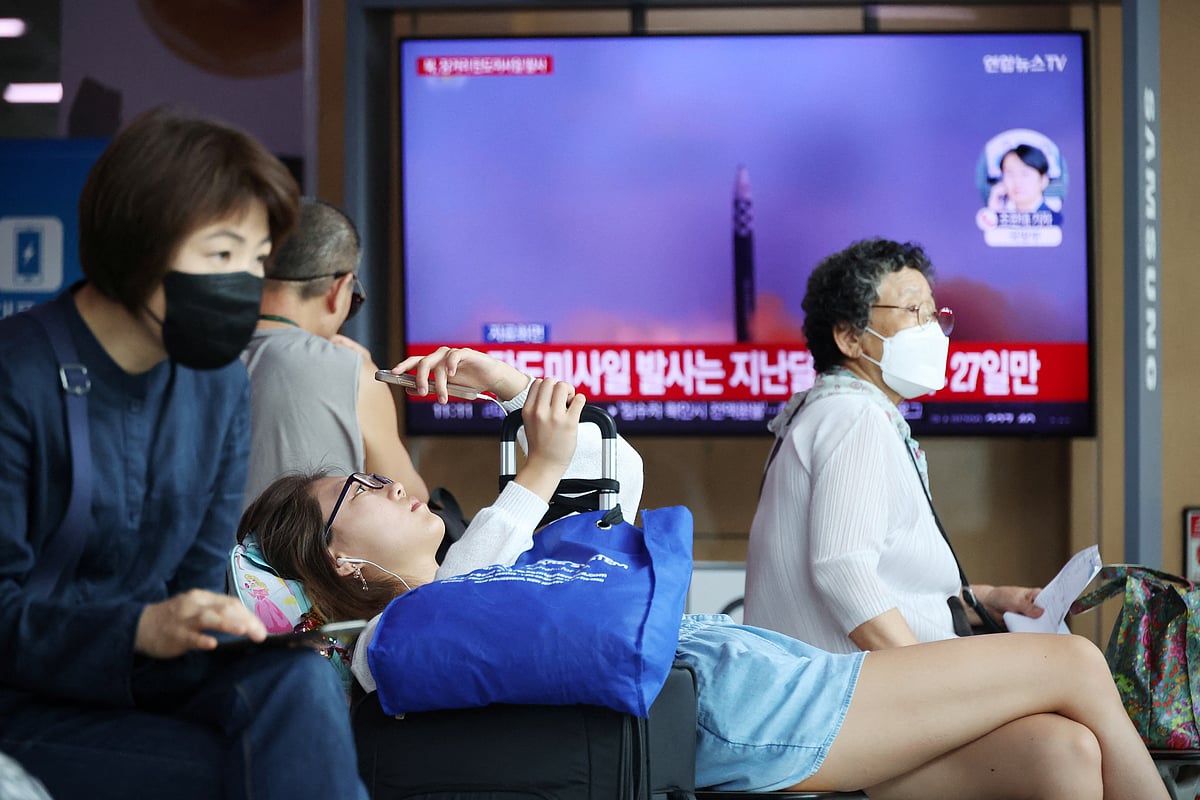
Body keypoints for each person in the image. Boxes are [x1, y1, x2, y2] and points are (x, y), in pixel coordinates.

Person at [240, 346, 1168, 799]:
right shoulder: (404, 640)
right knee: (1074, 668)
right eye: (356, 488)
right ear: (341, 559)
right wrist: (530, 468)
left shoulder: (477, 584)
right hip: (747, 710)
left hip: (753, 694)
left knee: (1062, 757)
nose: (389, 483)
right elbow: (458, 600)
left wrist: (514, 392)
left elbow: (615, 481)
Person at [0, 107, 367, 799]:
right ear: (139, 245)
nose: (244, 281)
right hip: (23, 702)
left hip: (148, 681)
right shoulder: (17, 377)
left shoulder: (218, 385)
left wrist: (206, 625)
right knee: (238, 774)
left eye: (256, 260)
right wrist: (138, 628)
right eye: (221, 255)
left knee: (300, 676)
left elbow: (195, 585)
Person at [744, 238, 1044, 653]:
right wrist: (926, 677)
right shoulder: (855, 417)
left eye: (934, 314)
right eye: (912, 311)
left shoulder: (833, 410)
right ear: (850, 338)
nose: (932, 329)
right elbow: (842, 568)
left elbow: (884, 585)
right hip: (844, 693)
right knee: (1074, 660)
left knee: (1060, 707)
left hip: (837, 682)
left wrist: (986, 599)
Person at [242, 199, 428, 508]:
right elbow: (409, 503)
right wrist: (365, 369)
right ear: (338, 289)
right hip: (303, 558)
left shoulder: (177, 352)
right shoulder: (353, 373)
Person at [987, 144, 1063, 225]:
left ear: (1044, 181)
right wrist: (993, 213)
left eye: (1025, 174)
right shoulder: (1001, 216)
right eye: (1010, 174)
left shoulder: (1053, 220)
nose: (1017, 182)